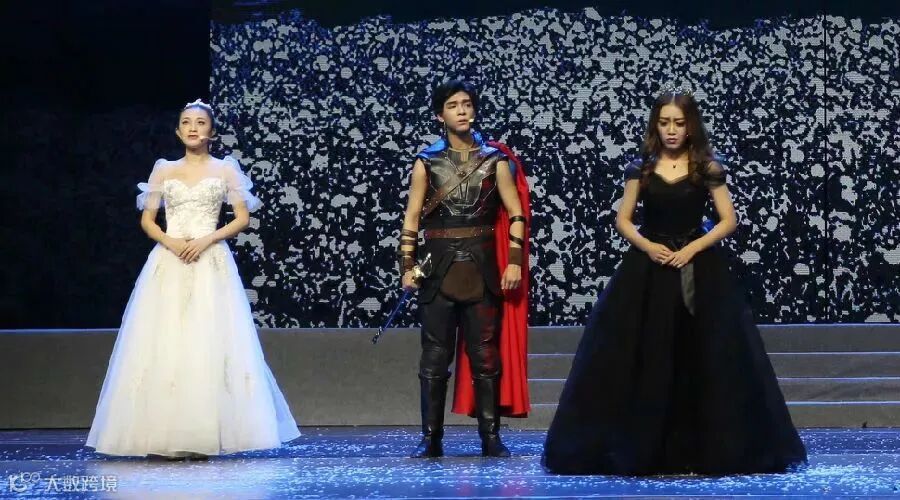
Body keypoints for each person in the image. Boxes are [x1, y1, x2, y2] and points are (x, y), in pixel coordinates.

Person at [542, 89, 807, 475]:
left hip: (698, 270)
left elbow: (729, 220)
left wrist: (694, 247)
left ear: (690, 126)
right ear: (656, 125)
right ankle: (647, 447)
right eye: (664, 122)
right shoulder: (642, 169)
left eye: (678, 123)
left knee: (702, 356)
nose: (671, 130)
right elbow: (623, 220)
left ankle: (699, 448)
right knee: (648, 354)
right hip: (649, 270)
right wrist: (649, 247)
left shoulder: (706, 168)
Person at [86, 100, 300, 459]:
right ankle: (160, 434)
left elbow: (242, 218)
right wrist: (170, 241)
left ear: (211, 132)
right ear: (178, 131)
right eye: (186, 122)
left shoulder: (225, 169)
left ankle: (203, 434)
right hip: (169, 260)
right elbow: (148, 220)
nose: (193, 128)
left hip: (209, 260)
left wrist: (206, 239)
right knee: (165, 339)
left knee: (208, 339)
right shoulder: (164, 169)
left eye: (200, 123)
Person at [398, 80, 531, 458]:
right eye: (453, 105)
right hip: (437, 267)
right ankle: (431, 438)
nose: (462, 110)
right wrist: (407, 265)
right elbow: (412, 217)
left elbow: (516, 213)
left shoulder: (495, 160)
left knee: (485, 356)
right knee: (434, 358)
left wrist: (515, 262)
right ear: (440, 115)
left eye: (467, 104)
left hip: (482, 266)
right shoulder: (426, 161)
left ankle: (490, 437)